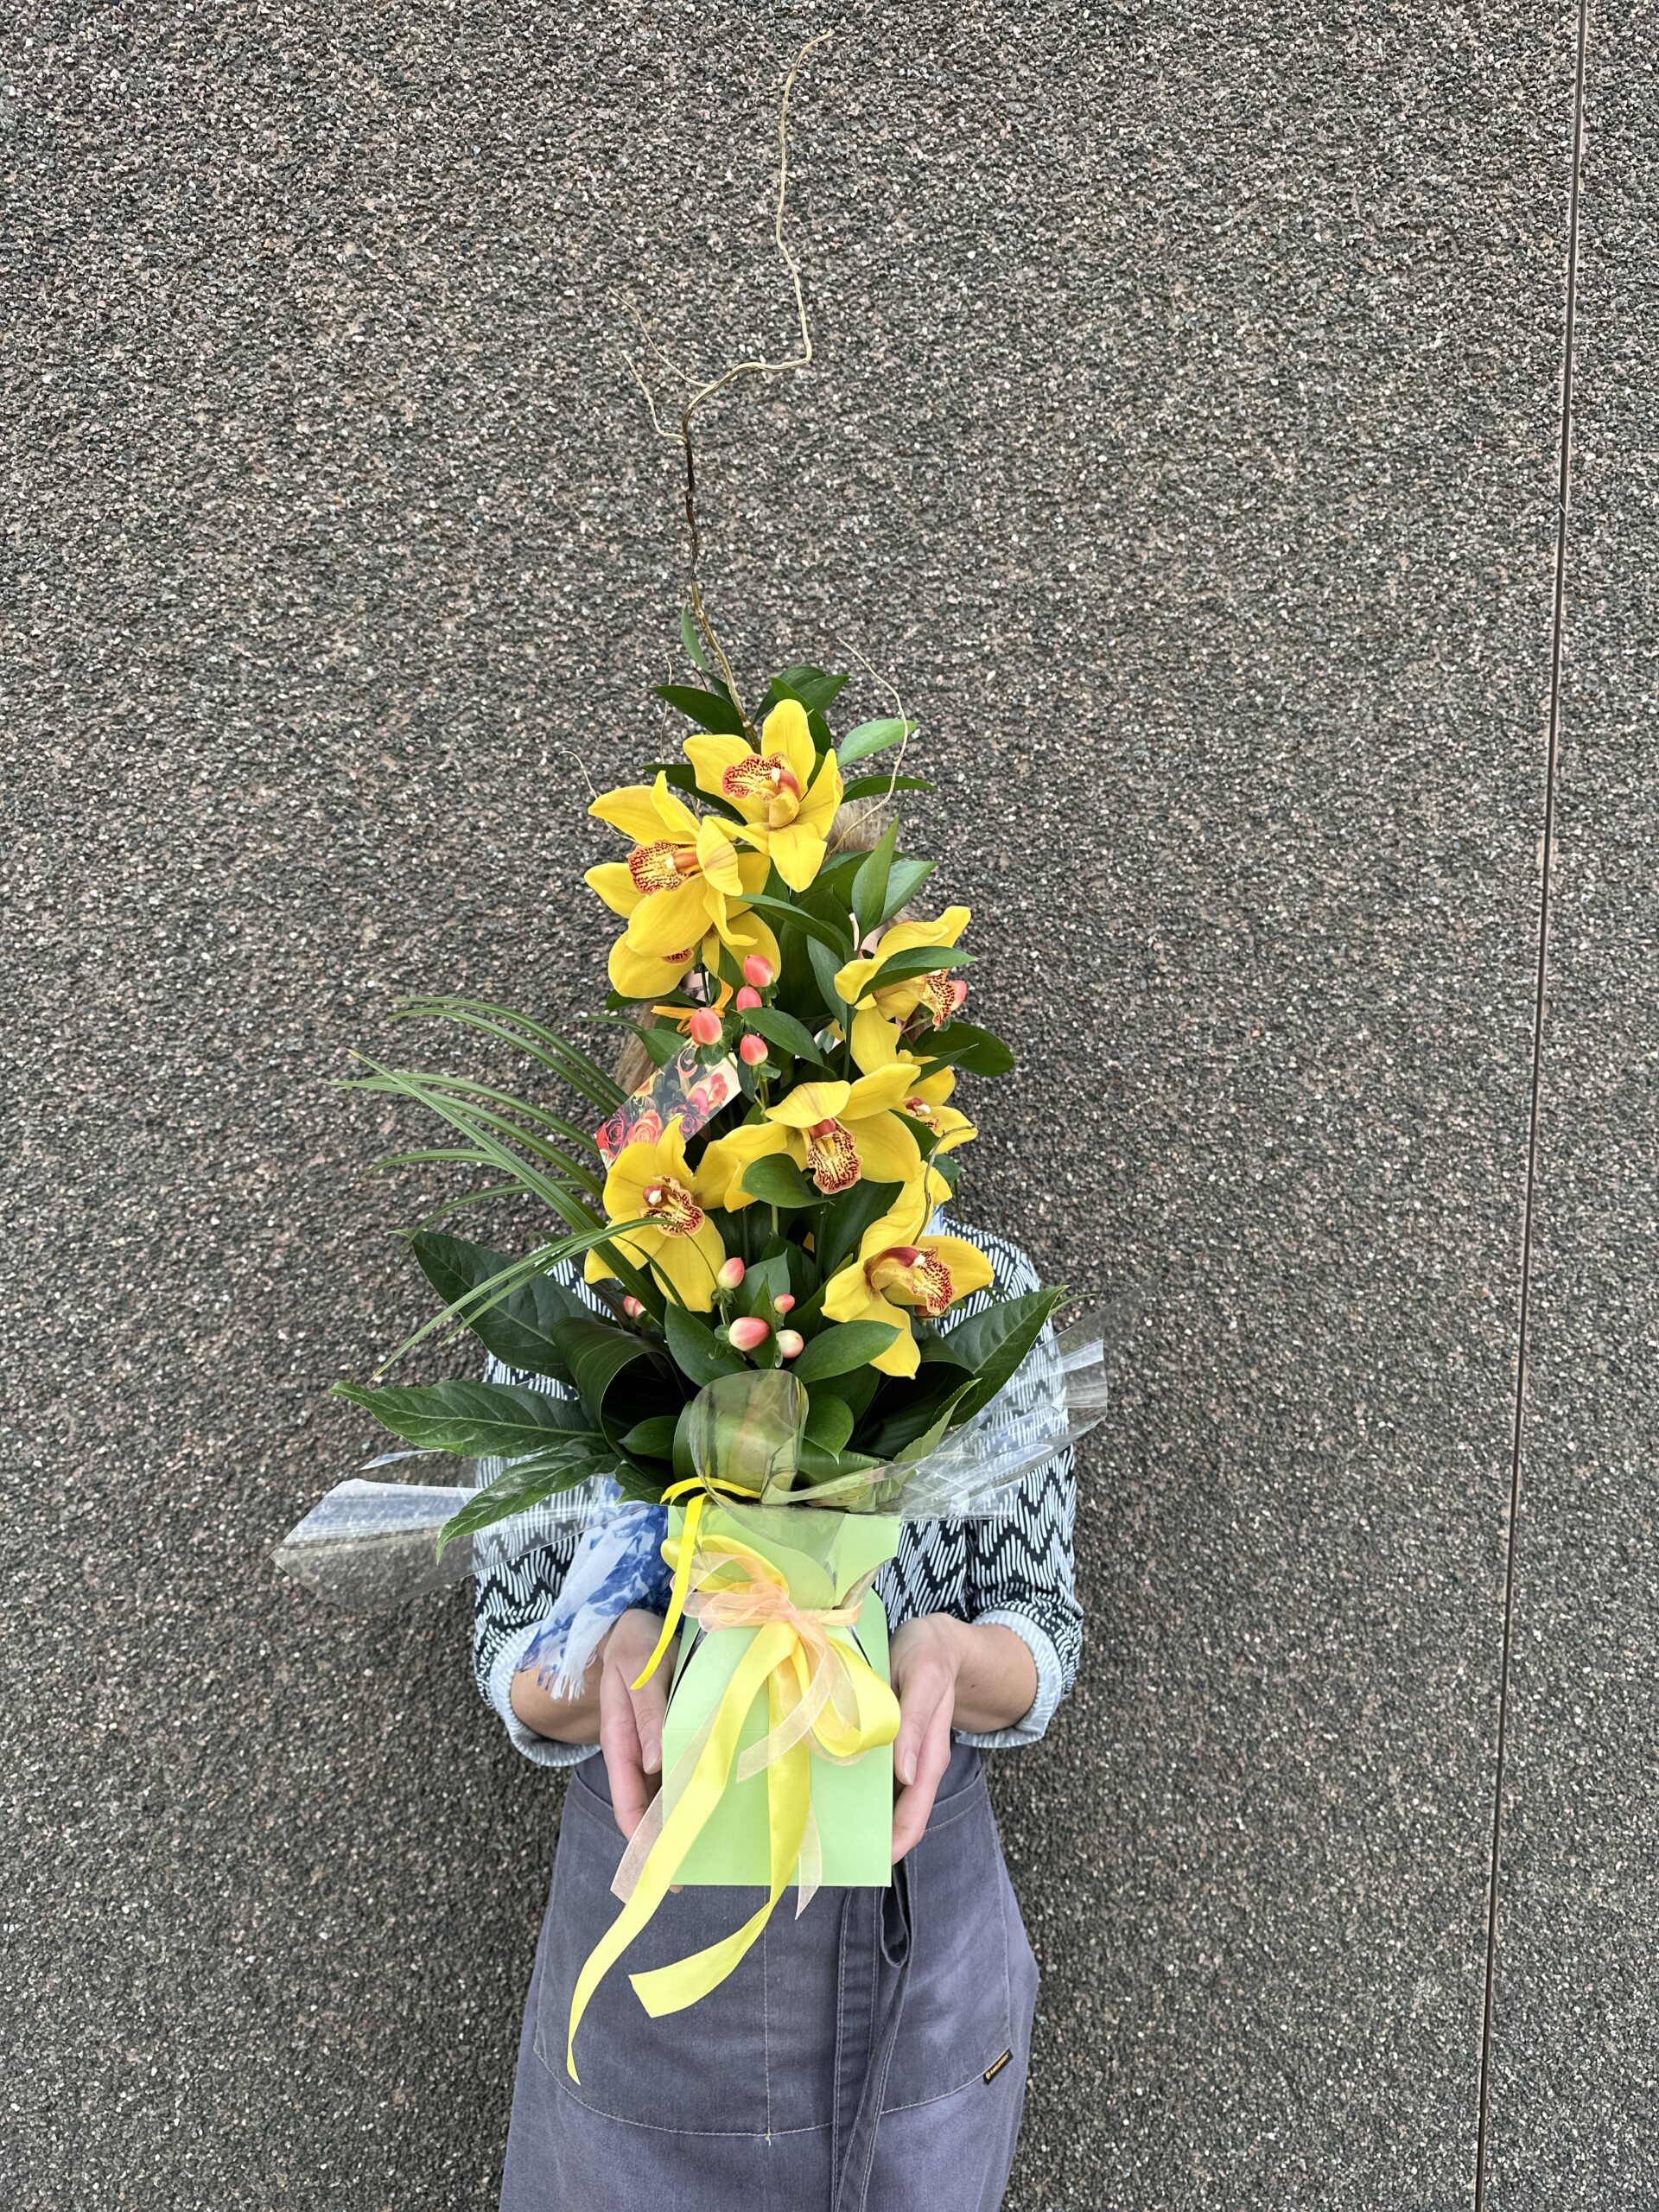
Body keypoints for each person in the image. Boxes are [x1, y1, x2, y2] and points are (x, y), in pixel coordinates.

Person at [470, 1206, 1080, 2212]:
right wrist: (613, 1657)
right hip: (653, 1911)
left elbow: (1041, 1623)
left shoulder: (966, 1286)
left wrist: (940, 1657)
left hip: (910, 1910)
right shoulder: (578, 1299)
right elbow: (510, 1646)